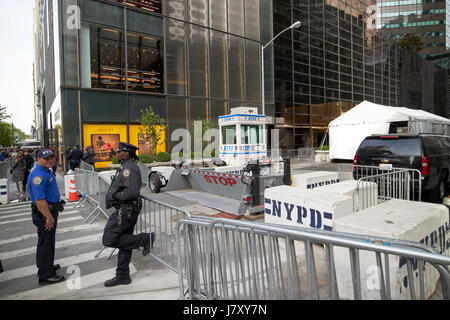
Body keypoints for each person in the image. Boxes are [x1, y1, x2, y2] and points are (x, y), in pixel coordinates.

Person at [102, 142, 155, 287]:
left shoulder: (129, 168)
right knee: (124, 242)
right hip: (125, 209)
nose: (117, 154)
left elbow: (131, 192)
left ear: (126, 153)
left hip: (125, 210)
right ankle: (122, 275)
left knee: (108, 238)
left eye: (119, 152)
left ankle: (145, 239)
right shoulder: (126, 167)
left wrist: (115, 197)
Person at [28, 149, 66, 285]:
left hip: (49, 211)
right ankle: (45, 275)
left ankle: (47, 266)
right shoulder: (38, 175)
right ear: (38, 159)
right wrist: (49, 217)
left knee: (48, 241)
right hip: (45, 214)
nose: (50, 160)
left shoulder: (46, 171)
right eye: (46, 158)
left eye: (52, 158)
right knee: (46, 243)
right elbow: (39, 201)